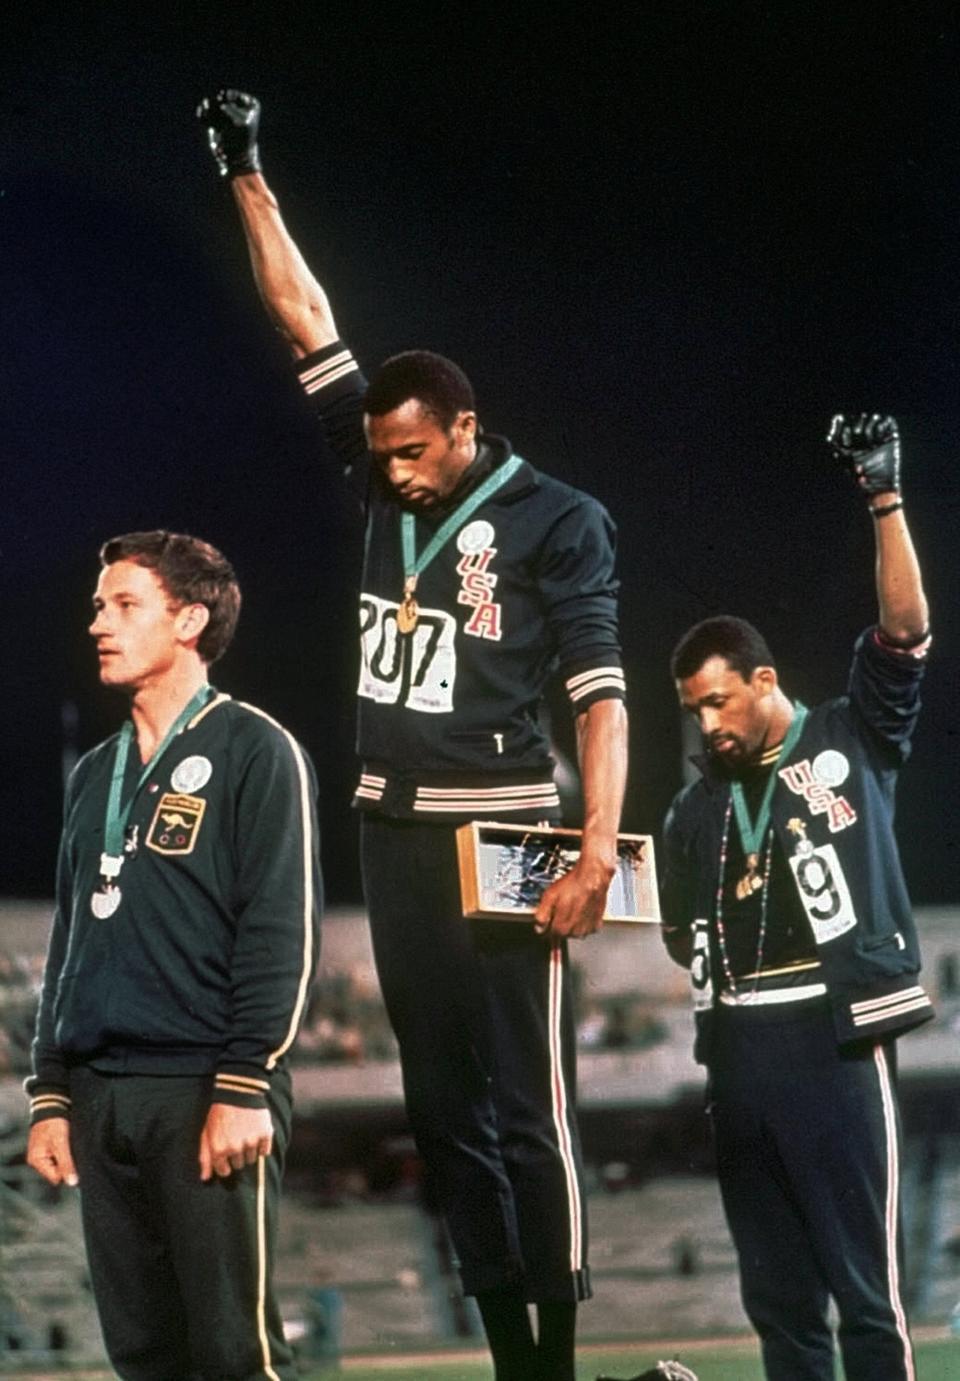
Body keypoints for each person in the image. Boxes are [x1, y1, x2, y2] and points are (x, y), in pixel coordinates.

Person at [197, 90, 629, 1381]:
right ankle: (508, 1356)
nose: (388, 474)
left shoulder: (562, 520)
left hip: (504, 833)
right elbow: (307, 322)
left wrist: (596, 846)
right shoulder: (382, 466)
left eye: (410, 454)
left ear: (464, 430)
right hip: (392, 829)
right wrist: (247, 172)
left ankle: (556, 1356)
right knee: (445, 1116)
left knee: (530, 1110)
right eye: (377, 456)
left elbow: (602, 695)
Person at [660, 415, 932, 1381]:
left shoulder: (848, 739)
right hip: (734, 1052)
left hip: (832, 1037)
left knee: (866, 1295)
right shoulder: (693, 809)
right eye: (693, 707)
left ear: (764, 681)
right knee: (778, 1305)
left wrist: (884, 497)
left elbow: (904, 634)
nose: (706, 722)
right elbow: (672, 930)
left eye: (719, 701)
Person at [25, 530, 322, 1381]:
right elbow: (70, 940)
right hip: (98, 1095)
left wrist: (244, 1082)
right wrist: (50, 1093)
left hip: (204, 1090)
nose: (98, 624)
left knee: (237, 1354)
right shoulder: (94, 775)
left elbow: (279, 932)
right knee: (145, 1357)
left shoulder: (255, 750)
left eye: (124, 605)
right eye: (97, 606)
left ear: (190, 619)